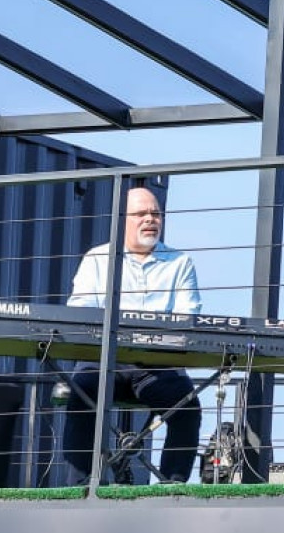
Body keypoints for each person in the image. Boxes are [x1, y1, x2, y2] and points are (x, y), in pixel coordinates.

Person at [59, 185, 203, 484]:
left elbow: (187, 320)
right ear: (122, 219)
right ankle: (82, 485)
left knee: (187, 405)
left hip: (156, 366)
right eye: (142, 214)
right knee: (81, 394)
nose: (151, 219)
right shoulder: (98, 258)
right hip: (102, 361)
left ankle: (171, 485)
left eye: (156, 213)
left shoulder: (180, 263)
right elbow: (80, 312)